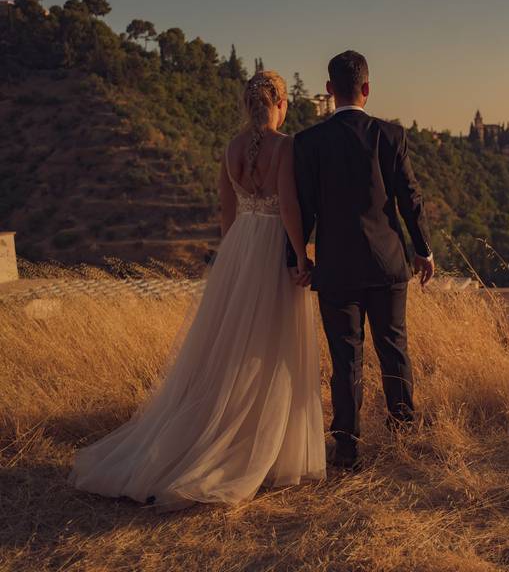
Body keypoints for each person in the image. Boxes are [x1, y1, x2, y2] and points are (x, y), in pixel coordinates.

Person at [69, 71, 326, 510]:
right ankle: (262, 447)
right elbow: (288, 205)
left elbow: (227, 212)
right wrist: (301, 255)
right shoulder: (287, 146)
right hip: (269, 247)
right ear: (280, 104)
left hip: (240, 246)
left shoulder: (230, 149)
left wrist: (232, 259)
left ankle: (218, 429)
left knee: (226, 348)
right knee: (270, 346)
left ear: (248, 106)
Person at [287, 50, 433, 470]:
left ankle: (347, 447)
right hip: (388, 265)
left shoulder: (308, 143)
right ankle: (403, 431)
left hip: (335, 270)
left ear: (329, 90)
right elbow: (410, 199)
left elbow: (303, 207)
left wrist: (297, 259)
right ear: (367, 89)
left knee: (345, 359)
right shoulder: (391, 136)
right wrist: (423, 250)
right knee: (394, 348)